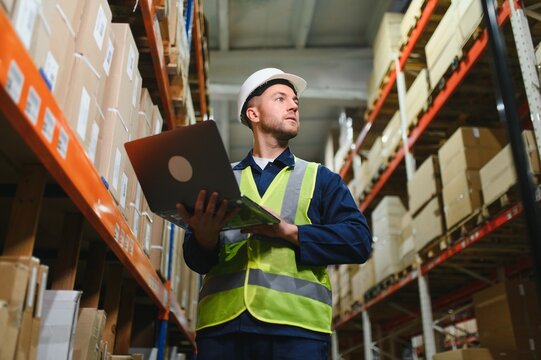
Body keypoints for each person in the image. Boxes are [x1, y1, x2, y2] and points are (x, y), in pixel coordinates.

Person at [176, 68, 372, 360]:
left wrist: (290, 232)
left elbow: (359, 241)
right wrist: (204, 238)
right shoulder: (220, 179)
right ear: (253, 114)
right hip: (223, 331)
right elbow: (196, 259)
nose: (293, 105)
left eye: (295, 101)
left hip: (296, 331)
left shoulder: (320, 178)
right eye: (280, 98)